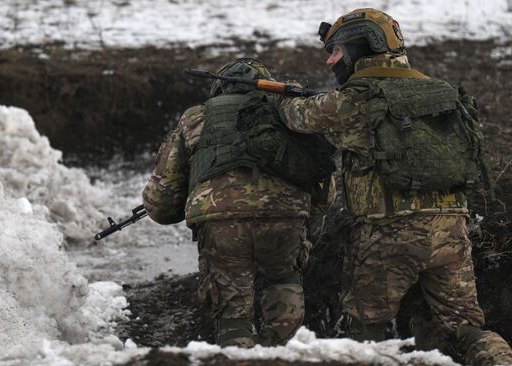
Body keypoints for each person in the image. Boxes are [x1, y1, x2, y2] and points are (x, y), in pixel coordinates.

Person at [277, 8, 512, 366]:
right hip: (451, 231)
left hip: (386, 236)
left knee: (362, 334)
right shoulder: (440, 93)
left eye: (335, 51)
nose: (330, 62)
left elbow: (296, 116)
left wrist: (283, 97)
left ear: (359, 47)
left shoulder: (356, 99)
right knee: (466, 329)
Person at [142, 58, 334, 347]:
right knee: (283, 288)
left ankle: (237, 354)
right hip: (285, 218)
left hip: (222, 224)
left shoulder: (195, 118)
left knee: (232, 310)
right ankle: (284, 353)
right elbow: (323, 185)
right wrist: (306, 222)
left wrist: (193, 202)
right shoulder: (288, 111)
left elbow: (161, 200)